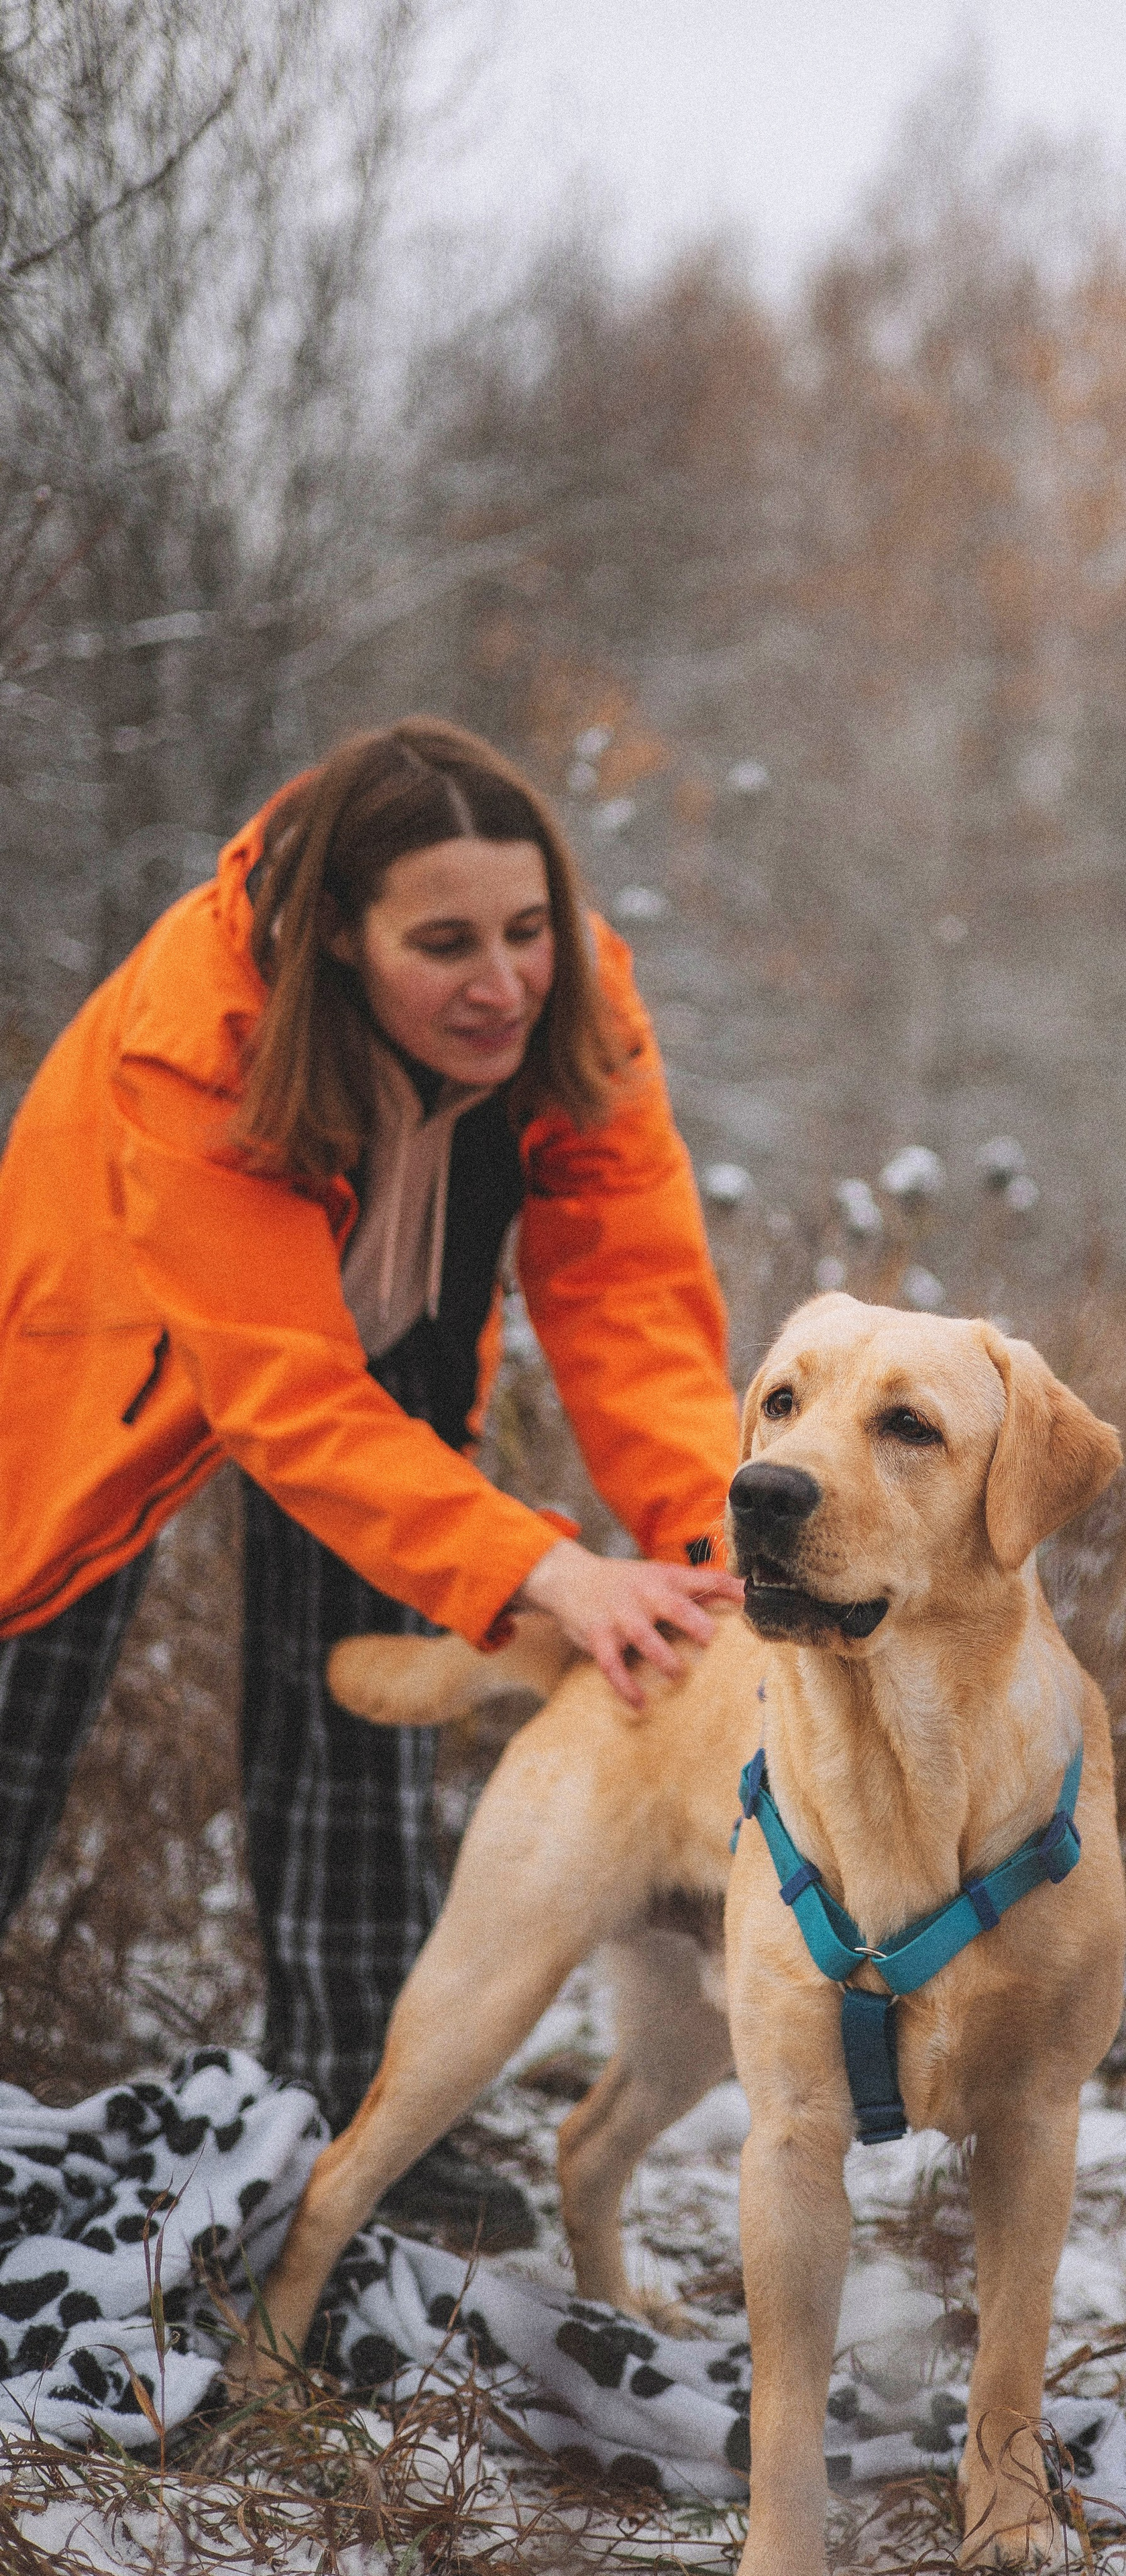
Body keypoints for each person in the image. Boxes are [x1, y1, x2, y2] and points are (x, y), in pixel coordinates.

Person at [0, 716, 743, 2242]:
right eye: (447, 942)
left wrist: (720, 1549)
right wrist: (549, 1570)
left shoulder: (578, 1013)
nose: (504, 981)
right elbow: (279, 1392)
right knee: (23, 1663)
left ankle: (352, 2113)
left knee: (352, 1690)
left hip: (389, 1317)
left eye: (531, 930)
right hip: (115, 1323)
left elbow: (632, 1305)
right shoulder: (191, 1039)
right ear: (336, 936)